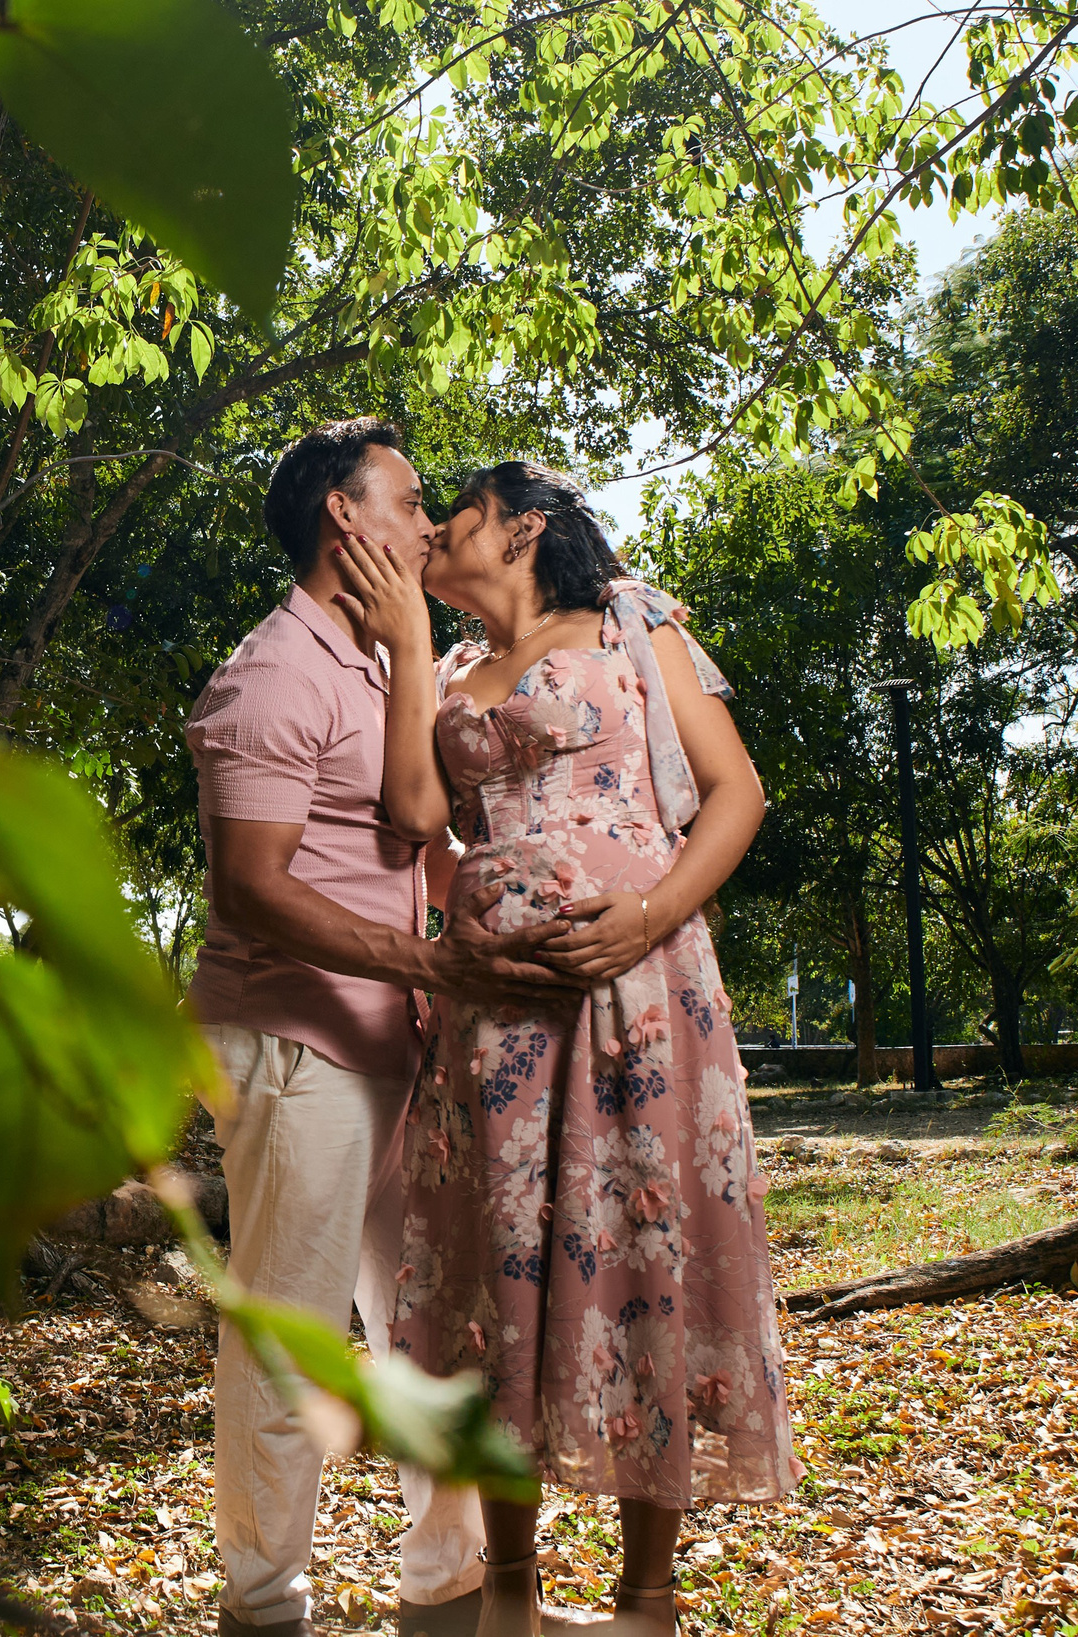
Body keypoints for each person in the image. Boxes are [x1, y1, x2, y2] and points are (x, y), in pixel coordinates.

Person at [336, 460, 798, 1636]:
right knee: (501, 1269)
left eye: (461, 517)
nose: (433, 531)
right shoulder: (437, 670)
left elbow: (735, 790)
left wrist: (645, 914)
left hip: (639, 996)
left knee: (648, 1251)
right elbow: (417, 816)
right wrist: (397, 638)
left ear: (526, 527)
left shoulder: (637, 626)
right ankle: (510, 1591)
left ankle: (646, 1598)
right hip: (493, 1016)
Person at [184, 421, 588, 1637]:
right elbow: (250, 883)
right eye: (410, 502)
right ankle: (264, 1609)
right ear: (342, 521)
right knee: (292, 1333)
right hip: (293, 1048)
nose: (428, 524)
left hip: (399, 1044)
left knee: (429, 1322)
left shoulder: (387, 662)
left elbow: (417, 841)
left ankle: (450, 1590)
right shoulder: (271, 675)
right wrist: (434, 957)